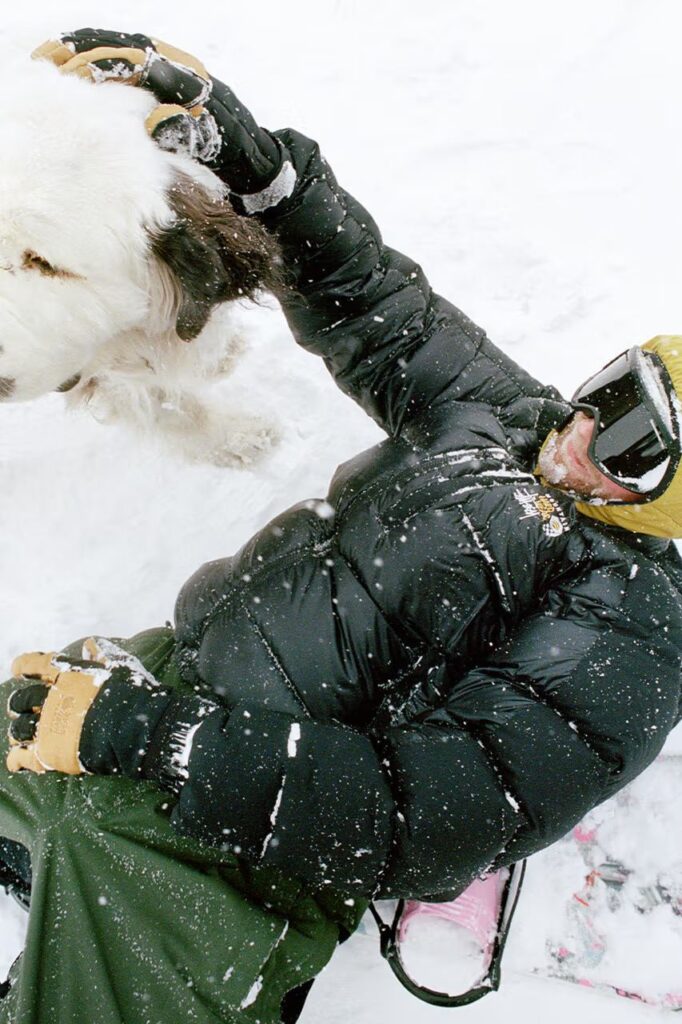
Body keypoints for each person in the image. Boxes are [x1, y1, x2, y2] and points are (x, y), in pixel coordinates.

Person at [6, 30, 682, 1021]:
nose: (584, 431)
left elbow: (438, 810)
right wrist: (245, 155)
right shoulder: (508, 416)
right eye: (611, 390)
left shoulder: (631, 625)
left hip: (257, 845)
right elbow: (373, 301)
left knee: (98, 852)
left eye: (633, 443)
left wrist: (152, 739)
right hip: (168, 678)